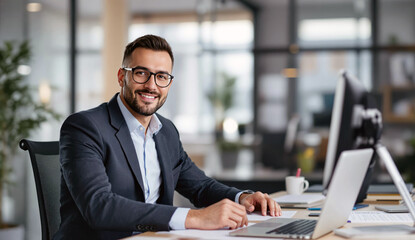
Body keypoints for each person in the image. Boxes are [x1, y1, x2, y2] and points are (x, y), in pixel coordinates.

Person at [54, 34, 281, 240]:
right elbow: (99, 207)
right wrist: (195, 218)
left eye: (161, 76)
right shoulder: (85, 127)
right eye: (141, 73)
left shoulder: (166, 131)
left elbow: (200, 187)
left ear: (169, 83)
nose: (151, 85)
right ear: (122, 76)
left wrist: (242, 198)